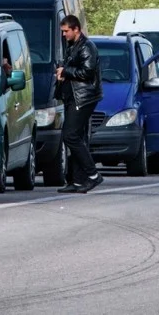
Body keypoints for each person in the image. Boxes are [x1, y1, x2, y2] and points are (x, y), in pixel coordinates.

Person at [55, 15, 103, 194]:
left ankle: (92, 175)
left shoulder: (87, 46)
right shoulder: (72, 46)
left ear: (76, 29)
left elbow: (87, 72)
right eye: (63, 31)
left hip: (83, 98)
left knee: (71, 136)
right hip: (72, 98)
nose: (64, 34)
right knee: (77, 138)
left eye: (66, 31)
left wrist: (66, 71)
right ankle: (77, 180)